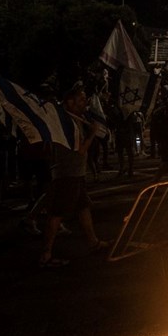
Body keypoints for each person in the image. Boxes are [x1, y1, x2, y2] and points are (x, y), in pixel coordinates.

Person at [38, 83, 109, 267]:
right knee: (57, 213)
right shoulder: (67, 122)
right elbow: (81, 150)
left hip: (75, 173)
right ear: (69, 102)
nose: (85, 103)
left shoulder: (73, 118)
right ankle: (46, 254)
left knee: (83, 207)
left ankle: (93, 242)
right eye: (80, 100)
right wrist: (92, 134)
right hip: (67, 174)